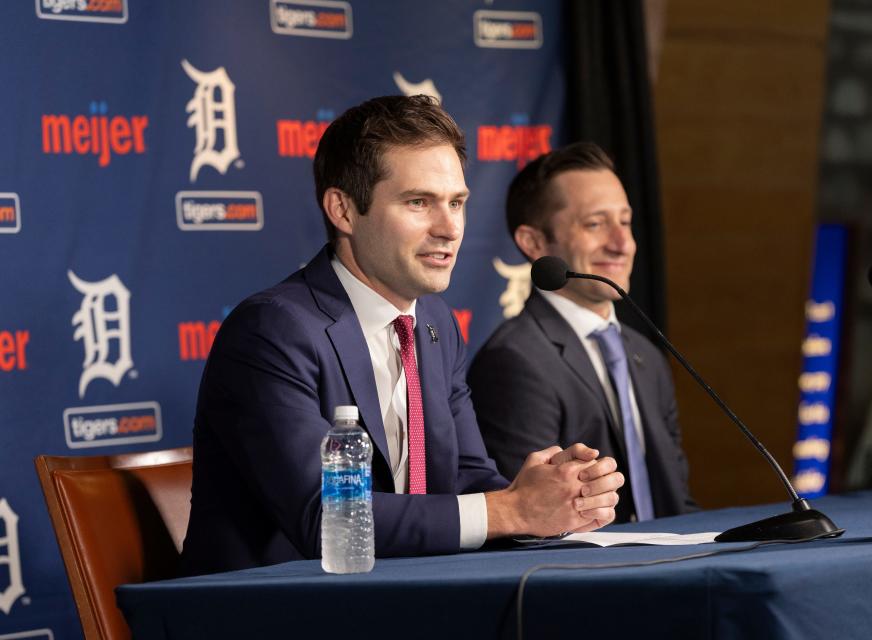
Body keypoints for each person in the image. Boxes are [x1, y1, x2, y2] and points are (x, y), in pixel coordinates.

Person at [179, 97, 623, 576]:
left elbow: (467, 479)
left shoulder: (435, 323)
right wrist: (512, 510)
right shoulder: (273, 330)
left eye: (457, 203)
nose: (450, 228)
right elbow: (324, 517)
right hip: (259, 611)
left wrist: (553, 498)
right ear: (344, 211)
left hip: (393, 599)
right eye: (419, 203)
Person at [468, 142, 696, 523]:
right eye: (595, 224)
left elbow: (676, 499)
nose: (622, 243)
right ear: (535, 243)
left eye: (625, 221)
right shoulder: (515, 360)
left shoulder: (646, 357)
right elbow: (531, 523)